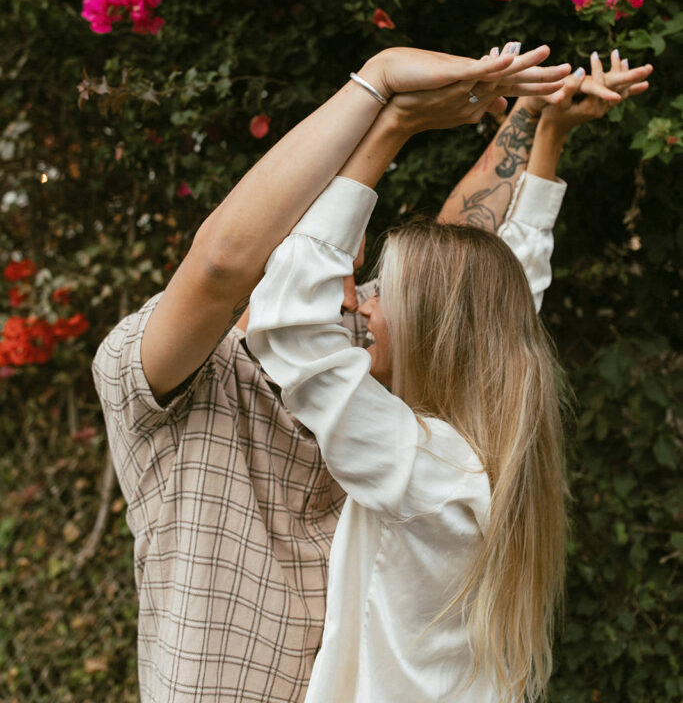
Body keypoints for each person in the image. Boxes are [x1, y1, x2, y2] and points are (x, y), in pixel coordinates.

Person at [92, 43, 650, 702]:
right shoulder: (174, 370)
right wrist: (389, 99)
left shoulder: (376, 399)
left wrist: (531, 114)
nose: (357, 287)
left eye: (363, 279)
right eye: (324, 247)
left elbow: (467, 299)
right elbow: (224, 269)